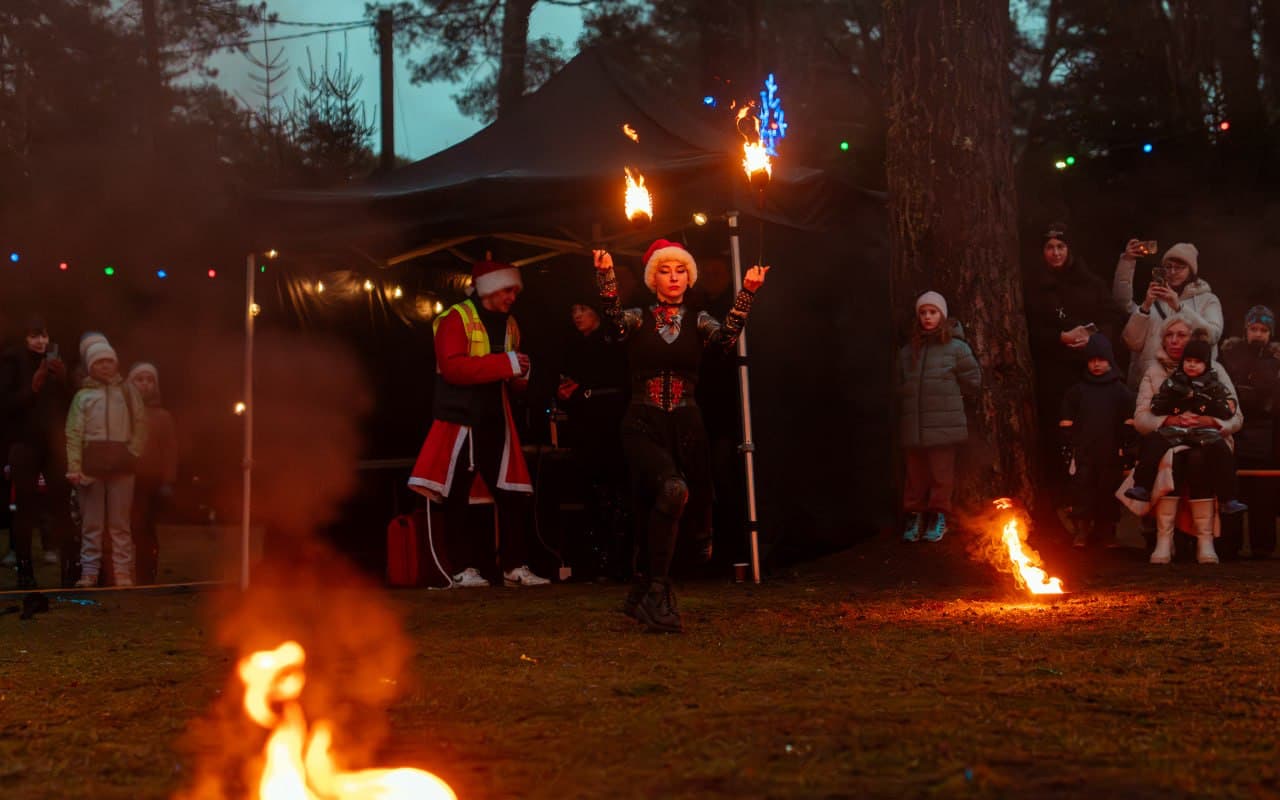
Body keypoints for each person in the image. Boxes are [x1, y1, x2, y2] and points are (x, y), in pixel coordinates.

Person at [591, 240, 767, 634]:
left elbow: (725, 341)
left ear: (689, 277)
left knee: (676, 507)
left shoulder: (698, 319)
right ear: (654, 277)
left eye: (681, 270)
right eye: (666, 270)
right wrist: (605, 278)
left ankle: (644, 589)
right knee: (669, 491)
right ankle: (656, 591)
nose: (674, 277)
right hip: (643, 422)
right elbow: (615, 327)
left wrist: (747, 294)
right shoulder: (637, 317)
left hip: (688, 425)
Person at [408, 260, 550, 588]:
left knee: (512, 493)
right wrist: (505, 364)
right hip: (459, 420)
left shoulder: (510, 324)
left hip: (496, 420)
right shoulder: (454, 319)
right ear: (488, 289)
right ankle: (460, 569)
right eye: (507, 289)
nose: (513, 296)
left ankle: (514, 566)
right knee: (455, 496)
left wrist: (521, 376)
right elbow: (453, 368)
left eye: (515, 290)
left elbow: (509, 378)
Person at [1117, 318, 1243, 565]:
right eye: (1169, 335)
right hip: (1169, 437)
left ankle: (1204, 541)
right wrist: (1170, 419)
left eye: (1182, 335)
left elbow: (1235, 414)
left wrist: (1210, 420)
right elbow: (1142, 417)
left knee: (1198, 458)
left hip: (1207, 438)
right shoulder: (1154, 372)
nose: (1175, 340)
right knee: (1170, 458)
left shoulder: (1215, 371)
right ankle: (1165, 540)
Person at [1023, 223, 1119, 517]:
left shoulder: (1090, 283)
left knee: (1092, 441)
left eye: (1060, 247)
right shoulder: (1033, 286)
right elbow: (1024, 330)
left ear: (1070, 250)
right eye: (1050, 247)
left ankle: (1097, 515)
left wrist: (1092, 339)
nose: (1055, 253)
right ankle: (1056, 508)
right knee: (1055, 441)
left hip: (1088, 374)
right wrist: (1059, 338)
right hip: (1051, 375)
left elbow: (1112, 319)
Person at [897, 291, 982, 544]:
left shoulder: (956, 348)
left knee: (941, 474)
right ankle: (914, 516)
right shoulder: (908, 351)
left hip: (944, 425)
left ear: (942, 316)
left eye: (933, 312)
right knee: (914, 476)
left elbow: (973, 380)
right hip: (914, 425)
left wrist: (951, 396)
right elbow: (898, 383)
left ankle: (938, 517)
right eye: (923, 313)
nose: (927, 317)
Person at [1124, 339, 1245, 516]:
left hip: (1204, 430)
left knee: (1222, 451)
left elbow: (1228, 409)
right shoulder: (1173, 382)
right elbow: (1156, 405)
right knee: (1152, 442)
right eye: (1188, 361)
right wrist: (1176, 411)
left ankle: (1228, 499)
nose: (1192, 365)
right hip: (1175, 429)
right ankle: (1142, 486)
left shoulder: (1215, 384)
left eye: (1197, 362)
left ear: (1206, 364)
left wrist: (1204, 412)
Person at [554, 298, 630, 579]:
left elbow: (617, 384)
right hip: (584, 429)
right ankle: (596, 559)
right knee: (591, 493)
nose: (577, 315)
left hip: (609, 427)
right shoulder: (572, 348)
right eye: (573, 310)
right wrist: (567, 394)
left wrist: (583, 391)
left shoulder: (612, 344)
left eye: (583, 309)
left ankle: (619, 559)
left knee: (614, 492)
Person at [0, 316, 75, 588]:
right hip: (24, 445)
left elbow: (72, 403)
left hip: (53, 446)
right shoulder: (12, 361)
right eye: (34, 336)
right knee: (25, 510)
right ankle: (24, 572)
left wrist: (65, 380)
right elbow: (5, 404)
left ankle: (70, 573)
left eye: (44, 335)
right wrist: (32, 387)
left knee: (62, 508)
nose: (41, 341)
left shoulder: (57, 363)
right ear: (24, 338)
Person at [65, 341, 148, 587]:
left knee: (120, 524)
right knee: (92, 524)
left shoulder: (127, 391)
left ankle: (122, 573)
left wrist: (132, 452)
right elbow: (73, 432)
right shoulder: (83, 396)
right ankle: (89, 572)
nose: (105, 365)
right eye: (99, 361)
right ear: (90, 366)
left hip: (122, 467)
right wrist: (74, 467)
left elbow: (141, 424)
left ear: (115, 363)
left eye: (109, 361)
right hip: (91, 467)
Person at [1058, 334, 1135, 548]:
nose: (1096, 364)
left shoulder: (1121, 391)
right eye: (1092, 360)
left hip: (1111, 452)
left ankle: (1107, 533)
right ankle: (1081, 531)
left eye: (1101, 360)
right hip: (1083, 452)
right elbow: (1066, 420)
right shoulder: (1077, 391)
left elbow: (1128, 422)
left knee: (1108, 491)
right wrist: (1071, 443)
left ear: (1110, 361)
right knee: (1082, 490)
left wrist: (1125, 446)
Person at [1113, 241, 1223, 389]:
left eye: (1179, 268)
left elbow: (1213, 335)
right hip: (1148, 382)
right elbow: (1123, 312)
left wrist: (1178, 306)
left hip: (1191, 385)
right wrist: (1127, 262)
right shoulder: (1154, 298)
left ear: (1191, 271)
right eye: (1168, 267)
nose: (1172, 272)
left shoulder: (1208, 300)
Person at [1218, 305, 1280, 558]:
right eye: (1254, 329)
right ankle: (1229, 545)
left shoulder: (1276, 362)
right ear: (1246, 330)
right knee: (1232, 490)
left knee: (1263, 493)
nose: (1258, 334)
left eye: (1263, 330)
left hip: (1267, 433)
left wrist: (1263, 400)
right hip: (1236, 430)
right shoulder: (1231, 357)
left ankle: (1263, 547)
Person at [127, 362, 178, 583]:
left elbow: (170, 450)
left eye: (149, 380)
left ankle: (146, 573)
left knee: (145, 527)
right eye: (140, 379)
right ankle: (116, 572)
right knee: (124, 526)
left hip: (150, 480)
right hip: (124, 477)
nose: (144, 384)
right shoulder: (123, 413)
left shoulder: (162, 416)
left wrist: (168, 480)